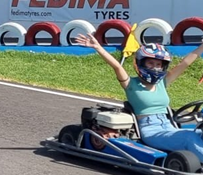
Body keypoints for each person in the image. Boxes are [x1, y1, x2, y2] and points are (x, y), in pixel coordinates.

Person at [74, 33, 203, 163]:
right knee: (189, 137)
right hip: (151, 131)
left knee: (200, 132)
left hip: (169, 126)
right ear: (141, 63)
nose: (155, 67)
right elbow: (117, 66)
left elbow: (184, 63)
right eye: (151, 63)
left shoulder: (162, 83)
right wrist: (98, 47)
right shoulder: (131, 85)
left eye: (158, 64)